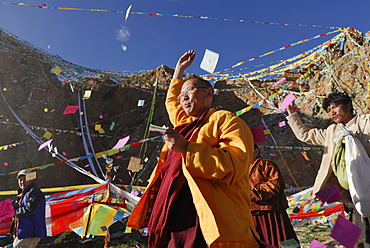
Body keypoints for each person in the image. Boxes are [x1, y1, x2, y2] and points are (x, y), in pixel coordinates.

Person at [127, 50, 260, 247]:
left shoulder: (225, 120)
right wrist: (179, 71)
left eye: (190, 90)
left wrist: (187, 148)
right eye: (182, 95)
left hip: (206, 209)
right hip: (171, 208)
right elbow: (171, 102)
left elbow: (235, 164)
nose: (183, 98)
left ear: (209, 93)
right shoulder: (184, 124)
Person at [286, 91, 370, 247]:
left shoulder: (366, 122)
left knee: (364, 233)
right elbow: (305, 135)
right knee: (348, 239)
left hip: (367, 185)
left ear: (349, 106)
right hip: (345, 192)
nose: (332, 112)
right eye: (329, 109)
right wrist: (292, 114)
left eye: (335, 106)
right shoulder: (332, 131)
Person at [249, 144, 299, 247]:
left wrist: (251, 194)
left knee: (278, 241)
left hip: (271, 213)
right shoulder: (240, 168)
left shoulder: (265, 164)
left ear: (256, 151)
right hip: (251, 213)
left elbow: (275, 186)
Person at [11, 169, 46, 248]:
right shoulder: (25, 193)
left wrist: (15, 211)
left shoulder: (34, 192)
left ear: (31, 180)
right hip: (26, 231)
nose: (22, 182)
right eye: (20, 180)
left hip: (30, 232)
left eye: (25, 180)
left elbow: (31, 209)